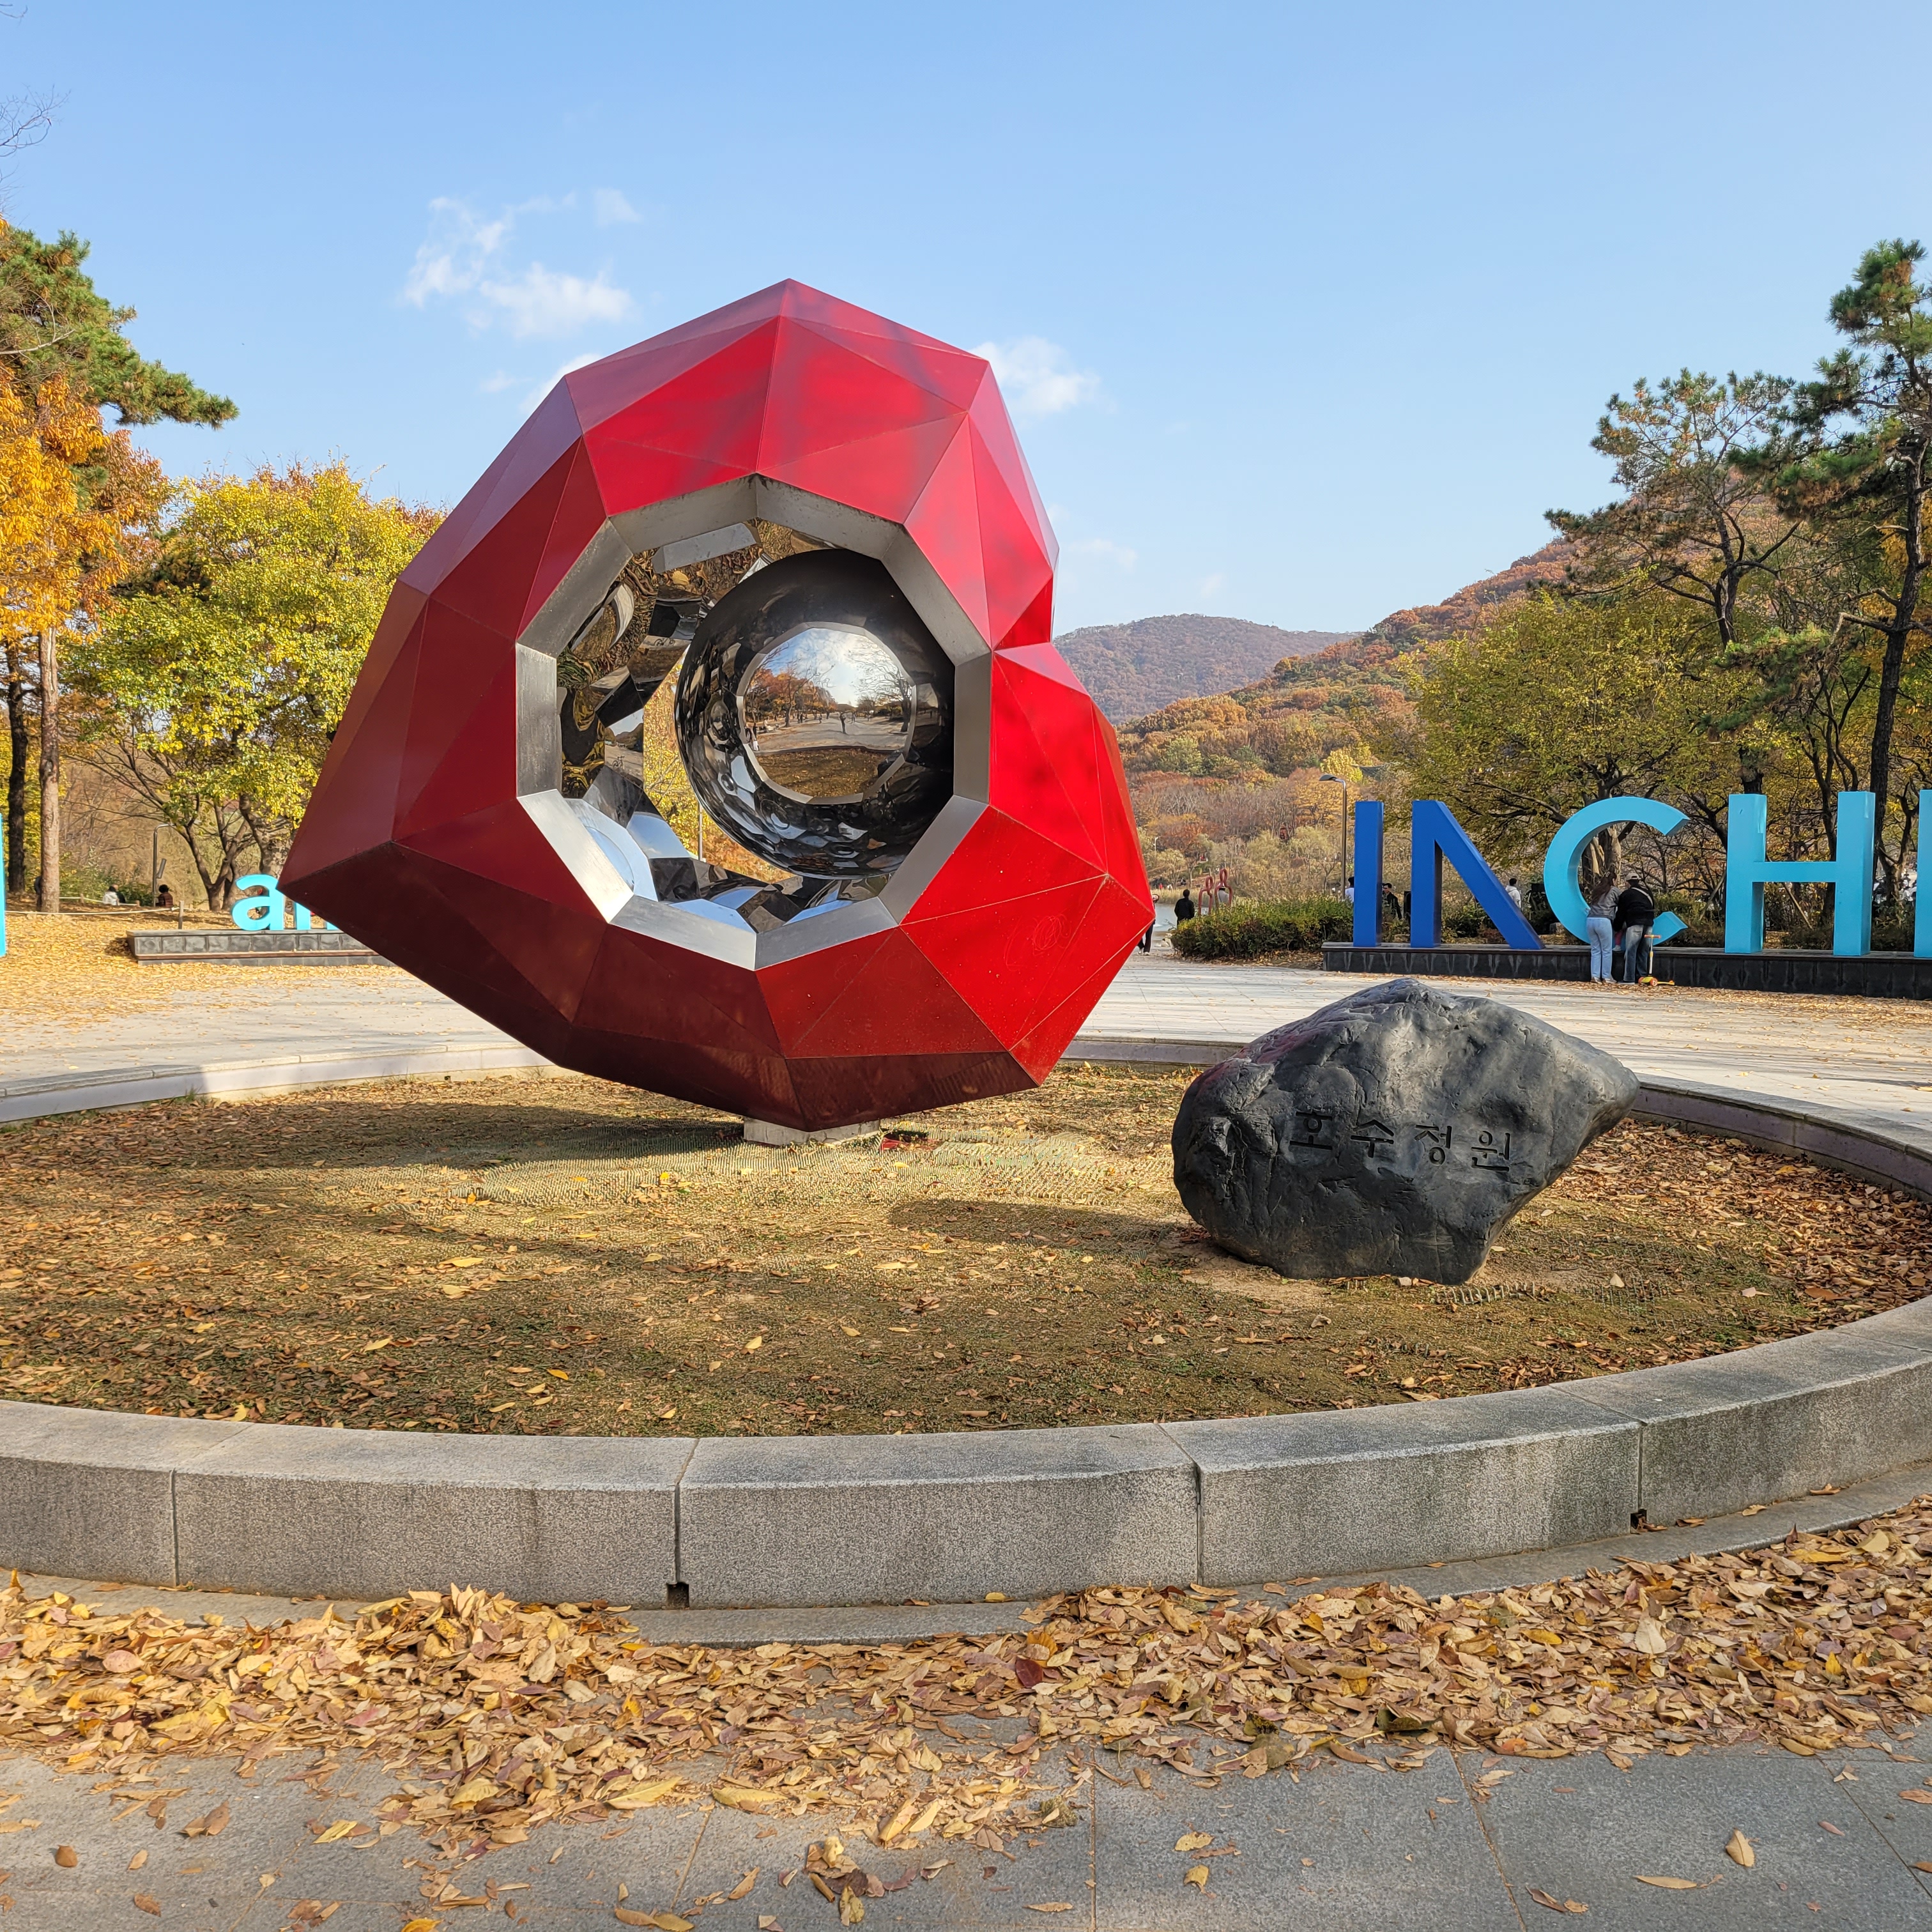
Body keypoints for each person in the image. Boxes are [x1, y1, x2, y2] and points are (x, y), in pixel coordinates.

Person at [1616, 875, 1657, 985]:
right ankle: (1642, 977)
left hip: (1634, 923)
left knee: (1631, 951)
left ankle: (1629, 979)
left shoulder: (1626, 894)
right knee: (1644, 951)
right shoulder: (1648, 893)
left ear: (1627, 883)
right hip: (1649, 923)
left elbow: (1621, 913)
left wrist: (1616, 927)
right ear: (1638, 881)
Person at [1585, 879, 1618, 983]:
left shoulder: (1597, 890)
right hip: (1604, 920)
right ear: (1613, 880)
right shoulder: (1614, 890)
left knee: (1595, 950)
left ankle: (1595, 976)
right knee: (1607, 950)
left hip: (1590, 920)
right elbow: (1621, 902)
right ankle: (1607, 977)